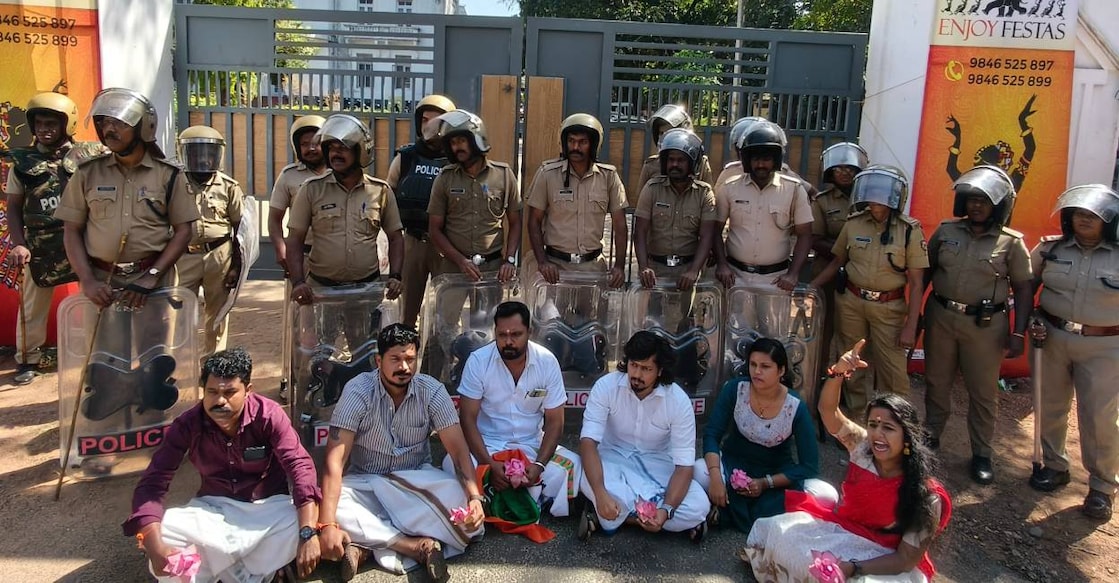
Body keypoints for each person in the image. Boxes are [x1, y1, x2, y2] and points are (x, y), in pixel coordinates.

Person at [741, 340, 952, 582]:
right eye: (873, 425)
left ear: (907, 436)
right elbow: (828, 411)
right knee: (777, 531)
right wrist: (838, 373)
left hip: (886, 562)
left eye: (889, 428)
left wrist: (853, 567)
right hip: (846, 532)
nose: (878, 435)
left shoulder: (926, 496)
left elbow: (904, 560)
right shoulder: (864, 447)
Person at [123, 348, 323, 582]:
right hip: (213, 511)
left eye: (229, 392)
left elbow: (300, 467)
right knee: (164, 531)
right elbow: (153, 483)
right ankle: (257, 571)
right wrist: (155, 547)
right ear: (203, 391)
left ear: (248, 391)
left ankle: (222, 570)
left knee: (298, 519)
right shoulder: (188, 424)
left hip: (265, 510)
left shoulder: (269, 416)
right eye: (212, 392)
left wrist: (308, 534)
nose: (219, 401)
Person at [316, 324, 485, 583]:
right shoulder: (358, 391)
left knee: (462, 507)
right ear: (378, 360)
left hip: (416, 482)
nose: (404, 367)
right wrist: (326, 525)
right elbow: (334, 463)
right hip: (366, 483)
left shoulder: (432, 391)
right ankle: (416, 547)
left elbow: (459, 451)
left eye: (409, 359)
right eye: (395, 359)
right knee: (329, 505)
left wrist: (475, 499)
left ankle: (367, 546)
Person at [57, 88, 199, 355]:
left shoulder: (168, 175)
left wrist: (151, 277)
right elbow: (71, 230)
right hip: (102, 282)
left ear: (143, 127)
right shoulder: (87, 173)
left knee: (153, 357)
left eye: (119, 123)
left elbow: (184, 231)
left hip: (153, 281)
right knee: (105, 357)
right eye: (104, 122)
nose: (109, 129)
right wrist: (87, 280)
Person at [922, 166, 1031, 485]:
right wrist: (915, 313)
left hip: (985, 326)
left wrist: (1017, 331)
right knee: (936, 382)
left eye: (984, 201)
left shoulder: (1011, 243)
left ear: (999, 205)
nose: (976, 205)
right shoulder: (946, 232)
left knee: (982, 392)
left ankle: (982, 453)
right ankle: (930, 439)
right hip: (941, 316)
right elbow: (925, 273)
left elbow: (1024, 288)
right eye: (971, 199)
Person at [1027, 184, 1119, 521]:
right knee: (1049, 405)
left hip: (1104, 346)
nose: (1084, 219)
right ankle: (1054, 466)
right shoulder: (1050, 249)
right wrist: (1032, 320)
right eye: (1079, 213)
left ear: (1108, 220)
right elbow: (1026, 287)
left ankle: (1101, 487)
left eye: (1093, 215)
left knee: (1100, 417)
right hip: (1052, 337)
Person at [445, 300, 581, 517]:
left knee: (573, 465)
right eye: (502, 335)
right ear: (495, 332)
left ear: (530, 331)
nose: (508, 341)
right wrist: (487, 463)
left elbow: (555, 422)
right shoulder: (479, 361)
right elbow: (468, 419)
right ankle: (530, 499)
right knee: (453, 462)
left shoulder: (547, 362)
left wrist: (539, 465)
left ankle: (497, 499)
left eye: (516, 334)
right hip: (488, 445)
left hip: (531, 445)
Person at [809, 165, 928, 413]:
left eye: (882, 196)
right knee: (852, 364)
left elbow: (917, 283)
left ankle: (895, 425)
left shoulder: (909, 231)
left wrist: (911, 325)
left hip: (889, 308)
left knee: (892, 371)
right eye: (872, 194)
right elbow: (837, 262)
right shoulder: (854, 224)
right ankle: (856, 423)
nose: (876, 201)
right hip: (851, 302)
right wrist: (811, 287)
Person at [3, 92, 103, 384]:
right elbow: (13, 207)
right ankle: (28, 359)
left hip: (84, 241)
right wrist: (19, 243)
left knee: (92, 297)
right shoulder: (21, 162)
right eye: (39, 123)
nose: (45, 129)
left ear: (66, 124)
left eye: (51, 123)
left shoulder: (90, 155)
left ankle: (95, 356)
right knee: (32, 305)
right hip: (41, 244)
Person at [577, 330, 710, 541]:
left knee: (698, 506)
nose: (637, 375)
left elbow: (684, 465)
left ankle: (614, 516)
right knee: (584, 476)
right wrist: (601, 493)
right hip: (613, 461)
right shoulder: (606, 387)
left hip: (658, 464)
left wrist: (665, 509)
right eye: (634, 365)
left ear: (660, 371)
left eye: (646, 369)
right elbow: (588, 442)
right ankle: (628, 513)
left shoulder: (677, 401)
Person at [695, 338, 832, 534]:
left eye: (765, 366)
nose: (757, 372)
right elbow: (712, 434)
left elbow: (809, 466)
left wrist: (765, 483)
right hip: (733, 464)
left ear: (782, 370)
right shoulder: (735, 389)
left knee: (826, 495)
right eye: (753, 365)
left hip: (775, 475)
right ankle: (727, 504)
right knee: (699, 471)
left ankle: (723, 511)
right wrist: (716, 477)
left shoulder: (795, 407)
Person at [286, 114, 403, 301]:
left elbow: (396, 238)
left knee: (366, 332)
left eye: (343, 148)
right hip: (321, 289)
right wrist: (298, 281)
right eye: (331, 148)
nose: (335, 153)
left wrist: (395, 275)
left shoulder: (380, 191)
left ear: (360, 152)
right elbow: (294, 239)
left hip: (366, 289)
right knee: (321, 332)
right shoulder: (311, 189)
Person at [526, 113, 628, 289]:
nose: (575, 147)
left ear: (594, 145)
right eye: (571, 141)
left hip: (593, 268)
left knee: (593, 318)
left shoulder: (608, 176)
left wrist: (619, 265)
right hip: (555, 268)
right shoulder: (548, 174)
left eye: (582, 142)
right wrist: (542, 262)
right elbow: (533, 221)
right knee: (552, 317)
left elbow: (620, 225)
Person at [714, 120, 814, 291]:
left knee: (774, 320)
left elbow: (805, 234)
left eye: (766, 159)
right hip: (735, 277)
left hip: (776, 280)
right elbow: (715, 230)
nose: (760, 165)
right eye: (755, 159)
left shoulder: (794, 190)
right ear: (746, 160)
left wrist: (793, 274)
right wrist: (722, 265)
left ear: (776, 160)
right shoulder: (729, 188)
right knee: (734, 319)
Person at [173, 125, 245, 358]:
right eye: (196, 153)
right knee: (178, 313)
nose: (203, 159)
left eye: (208, 153)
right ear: (186, 154)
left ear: (217, 155)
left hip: (219, 256)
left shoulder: (229, 187)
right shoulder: (173, 185)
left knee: (218, 313)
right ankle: (179, 364)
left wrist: (236, 265)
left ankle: (214, 362)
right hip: (183, 257)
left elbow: (240, 230)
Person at [385, 94, 455, 328]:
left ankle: (436, 363)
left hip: (446, 247)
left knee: (445, 318)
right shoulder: (405, 158)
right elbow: (388, 201)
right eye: (425, 120)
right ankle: (405, 361)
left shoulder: (456, 162)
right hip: (412, 243)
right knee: (407, 314)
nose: (430, 128)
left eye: (437, 122)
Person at [427, 109, 520, 284]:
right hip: (453, 267)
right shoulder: (445, 178)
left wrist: (509, 259)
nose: (457, 147)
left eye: (462, 140)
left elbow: (515, 222)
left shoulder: (504, 175)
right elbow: (435, 229)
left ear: (476, 139)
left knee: (489, 313)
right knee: (446, 312)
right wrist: (461, 261)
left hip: (492, 268)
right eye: (453, 142)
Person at [633, 128, 718, 292]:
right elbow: (640, 231)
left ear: (692, 162)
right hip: (655, 270)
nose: (674, 165)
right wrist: (644, 267)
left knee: (684, 317)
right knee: (651, 316)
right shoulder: (652, 188)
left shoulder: (704, 193)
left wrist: (694, 270)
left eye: (681, 160)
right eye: (671, 160)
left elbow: (707, 235)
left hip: (687, 271)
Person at [810, 142, 868, 367]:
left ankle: (848, 383)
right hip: (828, 274)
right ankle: (821, 379)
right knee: (822, 331)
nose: (845, 172)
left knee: (854, 334)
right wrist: (846, 249)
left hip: (861, 274)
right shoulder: (823, 201)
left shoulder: (870, 197)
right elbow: (814, 239)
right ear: (830, 171)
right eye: (839, 168)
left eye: (850, 168)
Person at [269, 114, 326, 278]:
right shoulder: (289, 175)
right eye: (305, 144)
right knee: (300, 302)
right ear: (297, 147)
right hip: (301, 256)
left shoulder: (339, 174)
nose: (311, 149)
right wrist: (281, 249)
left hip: (335, 257)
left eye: (316, 143)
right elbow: (274, 218)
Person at [632, 104, 713, 206]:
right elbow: (641, 204)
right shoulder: (651, 165)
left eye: (670, 132)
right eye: (661, 133)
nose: (665, 137)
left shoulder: (701, 164)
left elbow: (709, 201)